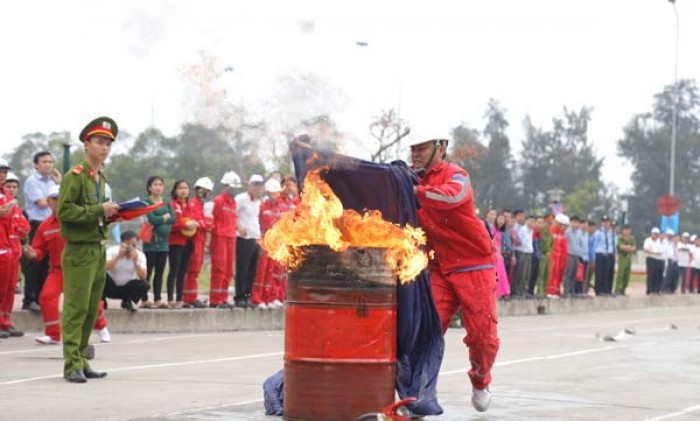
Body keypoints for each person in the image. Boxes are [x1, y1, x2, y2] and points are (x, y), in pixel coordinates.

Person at [409, 134, 499, 412]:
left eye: (421, 148)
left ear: (441, 147)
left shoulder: (456, 175)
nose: (416, 154)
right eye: (413, 149)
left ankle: (480, 380)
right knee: (426, 333)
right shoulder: (409, 179)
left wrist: (418, 193)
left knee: (482, 337)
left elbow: (454, 197)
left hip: (474, 265)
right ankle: (415, 395)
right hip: (440, 269)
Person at [57, 116, 120, 383]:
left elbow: (97, 215)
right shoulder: (76, 177)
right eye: (99, 142)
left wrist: (112, 215)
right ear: (87, 144)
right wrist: (98, 210)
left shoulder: (100, 178)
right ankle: (71, 363)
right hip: (79, 251)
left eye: (108, 143)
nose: (104, 147)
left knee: (92, 309)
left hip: (97, 249)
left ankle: (82, 359)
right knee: (76, 308)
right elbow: (64, 211)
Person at [24, 185, 109, 344]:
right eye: (54, 199)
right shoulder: (45, 226)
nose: (58, 202)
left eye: (61, 198)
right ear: (48, 202)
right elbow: (39, 248)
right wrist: (33, 253)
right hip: (58, 270)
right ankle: (53, 335)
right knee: (47, 297)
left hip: (80, 268)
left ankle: (101, 326)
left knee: (90, 299)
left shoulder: (78, 220)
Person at [21, 151, 62, 312]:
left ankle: (39, 298)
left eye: (50, 162)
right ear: (36, 165)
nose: (48, 165)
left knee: (47, 265)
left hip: (51, 223)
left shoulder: (52, 182)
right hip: (37, 224)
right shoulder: (32, 182)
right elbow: (44, 203)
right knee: (34, 262)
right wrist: (56, 189)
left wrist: (59, 184)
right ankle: (29, 298)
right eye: (44, 162)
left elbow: (57, 200)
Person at [251, 178, 289, 309]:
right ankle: (257, 298)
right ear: (267, 193)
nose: (275, 195)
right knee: (262, 272)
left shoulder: (280, 208)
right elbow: (257, 226)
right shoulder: (261, 206)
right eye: (272, 193)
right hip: (264, 244)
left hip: (276, 245)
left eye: (276, 193)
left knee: (273, 272)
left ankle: (271, 297)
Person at [0, 169, 30, 337]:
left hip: (12, 250)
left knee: (9, 289)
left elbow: (24, 226)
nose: (2, 175)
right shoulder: (7, 202)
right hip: (3, 249)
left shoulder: (10, 201)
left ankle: (5, 322)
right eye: (0, 172)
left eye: (4, 172)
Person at [141, 176, 176, 309]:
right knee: (147, 272)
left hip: (163, 244)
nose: (158, 187)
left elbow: (173, 219)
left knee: (160, 272)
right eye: (155, 185)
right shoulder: (146, 202)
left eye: (161, 184)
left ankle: (157, 299)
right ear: (149, 187)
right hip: (150, 243)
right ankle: (144, 299)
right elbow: (151, 219)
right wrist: (163, 217)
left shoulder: (166, 203)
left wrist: (161, 218)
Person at [208, 171, 241, 308]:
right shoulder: (217, 201)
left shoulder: (233, 203)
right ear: (226, 186)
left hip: (231, 238)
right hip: (219, 238)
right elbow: (211, 220)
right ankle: (215, 300)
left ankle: (223, 298)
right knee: (219, 269)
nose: (235, 190)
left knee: (228, 270)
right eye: (233, 187)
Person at [165, 180, 197, 309]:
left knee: (182, 271)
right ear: (175, 191)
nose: (183, 190)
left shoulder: (191, 206)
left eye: (186, 188)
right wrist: (184, 225)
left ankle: (180, 298)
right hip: (175, 242)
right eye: (180, 188)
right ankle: (170, 299)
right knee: (174, 270)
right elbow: (170, 224)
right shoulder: (171, 205)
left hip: (188, 242)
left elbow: (195, 221)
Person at [234, 174, 265, 308]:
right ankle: (239, 297)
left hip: (255, 238)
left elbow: (259, 221)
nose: (258, 189)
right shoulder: (241, 199)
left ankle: (247, 296)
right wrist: (239, 226)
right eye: (255, 185)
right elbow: (231, 213)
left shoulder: (260, 202)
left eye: (260, 186)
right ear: (250, 186)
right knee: (243, 268)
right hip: (243, 238)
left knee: (252, 270)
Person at [183, 177, 213, 308]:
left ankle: (192, 297)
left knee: (196, 271)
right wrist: (203, 224)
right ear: (196, 189)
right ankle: (188, 299)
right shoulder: (192, 204)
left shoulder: (205, 206)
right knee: (191, 271)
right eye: (203, 190)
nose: (205, 193)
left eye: (207, 191)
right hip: (193, 242)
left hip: (201, 242)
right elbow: (195, 222)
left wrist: (203, 224)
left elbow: (209, 225)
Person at [105, 230, 150, 311]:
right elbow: (104, 268)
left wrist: (135, 261)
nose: (130, 248)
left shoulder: (140, 255)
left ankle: (129, 302)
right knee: (99, 277)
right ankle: (101, 301)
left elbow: (143, 277)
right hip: (110, 286)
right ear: (122, 243)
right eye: (128, 245)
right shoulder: (112, 251)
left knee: (145, 284)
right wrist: (118, 256)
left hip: (126, 287)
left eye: (134, 245)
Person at [487, 210, 510, 299]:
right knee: (495, 273)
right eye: (499, 219)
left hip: (500, 254)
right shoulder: (492, 229)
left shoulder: (502, 232)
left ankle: (502, 292)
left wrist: (502, 254)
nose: (501, 221)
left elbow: (503, 245)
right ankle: (495, 292)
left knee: (501, 273)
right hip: (493, 253)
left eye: (502, 219)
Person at [546, 214, 569, 298]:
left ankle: (556, 291)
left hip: (561, 258)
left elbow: (565, 247)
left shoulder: (563, 233)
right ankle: (549, 291)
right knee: (551, 274)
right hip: (552, 257)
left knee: (559, 275)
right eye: (564, 226)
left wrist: (565, 258)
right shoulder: (551, 231)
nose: (565, 228)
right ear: (559, 223)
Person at [593, 216, 615, 295]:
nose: (606, 224)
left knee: (608, 273)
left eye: (607, 222)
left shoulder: (611, 233)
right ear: (602, 223)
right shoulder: (598, 233)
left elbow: (611, 244)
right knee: (599, 273)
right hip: (600, 254)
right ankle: (599, 290)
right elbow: (595, 244)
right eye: (604, 222)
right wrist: (594, 255)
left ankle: (607, 290)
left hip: (609, 254)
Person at [563, 216, 583, 297]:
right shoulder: (567, 232)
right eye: (574, 222)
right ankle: (566, 290)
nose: (576, 224)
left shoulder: (579, 232)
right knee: (568, 273)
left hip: (576, 255)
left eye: (577, 222)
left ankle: (572, 290)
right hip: (569, 254)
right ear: (571, 223)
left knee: (574, 274)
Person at [614, 225, 636, 296]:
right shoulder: (620, 238)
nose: (627, 231)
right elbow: (621, 247)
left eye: (628, 230)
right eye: (625, 230)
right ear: (623, 230)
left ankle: (623, 290)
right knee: (620, 274)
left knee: (627, 275)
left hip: (629, 258)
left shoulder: (632, 238)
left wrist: (627, 248)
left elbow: (634, 248)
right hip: (622, 257)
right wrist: (628, 247)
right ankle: (617, 289)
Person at [535, 214, 553, 297]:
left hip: (548, 256)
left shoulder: (550, 233)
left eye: (550, 223)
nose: (548, 225)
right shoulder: (539, 233)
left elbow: (552, 244)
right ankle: (540, 292)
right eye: (547, 223)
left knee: (547, 274)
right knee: (541, 274)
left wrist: (550, 251)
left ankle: (545, 291)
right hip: (542, 254)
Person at [643, 227, 664, 295]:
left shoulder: (659, 241)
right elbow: (646, 249)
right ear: (651, 234)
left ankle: (656, 289)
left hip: (658, 259)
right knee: (651, 275)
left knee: (657, 275)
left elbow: (660, 251)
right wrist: (654, 253)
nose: (656, 235)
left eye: (657, 234)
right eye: (655, 234)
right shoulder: (648, 240)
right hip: (650, 258)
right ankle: (649, 290)